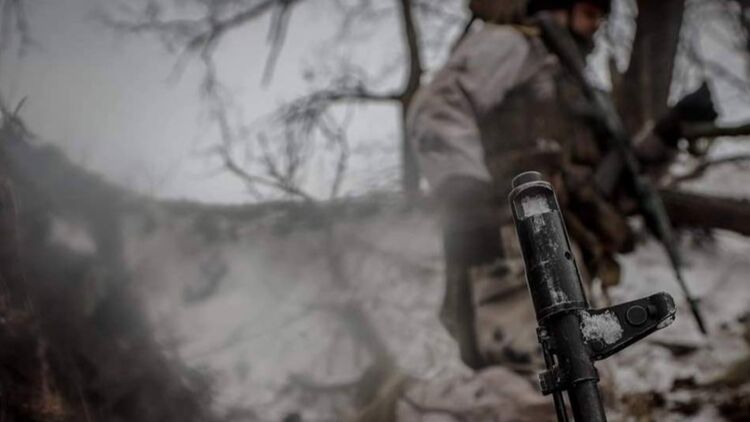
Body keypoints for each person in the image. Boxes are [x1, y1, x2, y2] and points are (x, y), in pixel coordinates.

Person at [406, 0, 716, 371]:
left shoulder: (578, 88)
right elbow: (440, 106)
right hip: (512, 240)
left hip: (568, 252)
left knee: (578, 382)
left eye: (601, 17)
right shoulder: (514, 46)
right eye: (588, 12)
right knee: (530, 380)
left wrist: (667, 133)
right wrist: (463, 193)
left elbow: (612, 184)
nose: (596, 25)